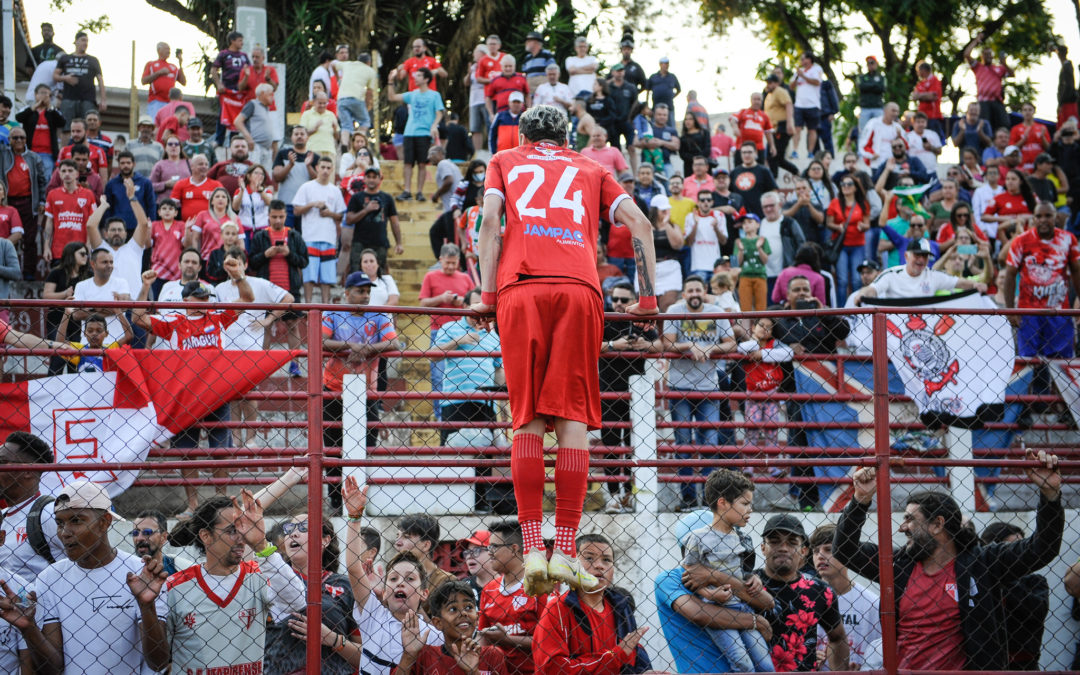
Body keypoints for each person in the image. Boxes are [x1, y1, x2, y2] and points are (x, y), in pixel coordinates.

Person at [472, 104, 657, 594]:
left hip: (520, 289)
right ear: (567, 137)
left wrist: (486, 295)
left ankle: (533, 547)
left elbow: (490, 223)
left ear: (523, 135)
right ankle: (567, 551)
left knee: (526, 418)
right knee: (573, 417)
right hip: (579, 290)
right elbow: (640, 224)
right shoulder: (592, 168)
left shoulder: (505, 160)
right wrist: (648, 299)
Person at [833, 451, 1063, 670]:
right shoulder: (897, 564)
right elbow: (844, 550)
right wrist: (860, 500)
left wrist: (1050, 496)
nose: (903, 527)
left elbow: (1042, 548)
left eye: (910, 519)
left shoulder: (983, 563)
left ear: (937, 524)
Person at [0, 480, 169, 674]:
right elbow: (52, 669)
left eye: (76, 520)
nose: (65, 533)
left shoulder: (140, 573)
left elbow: (158, 662)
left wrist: (146, 607)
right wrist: (29, 629)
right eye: (59, 523)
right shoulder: (50, 578)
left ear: (104, 522)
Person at [132, 258, 252, 514]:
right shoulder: (174, 321)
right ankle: (193, 505)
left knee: (220, 450)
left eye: (206, 298)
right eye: (199, 298)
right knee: (186, 451)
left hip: (216, 393)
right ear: (186, 300)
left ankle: (221, 503)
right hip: (186, 395)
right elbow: (138, 318)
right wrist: (145, 287)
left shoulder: (218, 318)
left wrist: (239, 276)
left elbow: (248, 300)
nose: (204, 302)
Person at [161, 492, 306, 673]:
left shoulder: (258, 575)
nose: (241, 538)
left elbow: (297, 601)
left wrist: (261, 545)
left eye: (242, 529)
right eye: (231, 531)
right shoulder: (175, 586)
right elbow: (158, 657)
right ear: (206, 536)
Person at [680, 470, 775, 672]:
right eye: (745, 503)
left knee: (766, 664)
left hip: (742, 606)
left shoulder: (743, 538)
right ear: (722, 502)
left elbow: (744, 572)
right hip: (715, 609)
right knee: (742, 663)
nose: (751, 509)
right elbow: (689, 574)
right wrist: (709, 593)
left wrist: (754, 578)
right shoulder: (697, 538)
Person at [664, 276, 737, 510]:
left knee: (710, 445)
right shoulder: (674, 310)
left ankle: (709, 500)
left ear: (703, 292)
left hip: (709, 387)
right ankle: (688, 499)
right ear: (684, 294)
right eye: (690, 290)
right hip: (679, 387)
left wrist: (710, 348)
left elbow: (731, 343)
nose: (694, 294)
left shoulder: (716, 311)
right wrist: (690, 346)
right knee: (683, 445)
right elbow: (668, 343)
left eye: (698, 290)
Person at [532, 533, 652, 675]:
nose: (599, 566)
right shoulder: (557, 608)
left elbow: (632, 656)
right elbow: (553, 669)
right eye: (589, 558)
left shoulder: (621, 607)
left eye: (606, 560)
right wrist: (614, 656)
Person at [265, 513, 361, 675]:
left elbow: (365, 656)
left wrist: (333, 639)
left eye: (304, 528)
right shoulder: (271, 578)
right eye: (289, 529)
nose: (293, 533)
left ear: (325, 540)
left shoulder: (344, 585)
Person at [1003, 201, 1080, 358]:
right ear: (1033, 219)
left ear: (1056, 217)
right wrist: (1010, 310)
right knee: (1027, 363)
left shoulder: (1068, 239)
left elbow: (1077, 271)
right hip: (1029, 312)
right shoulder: (1021, 241)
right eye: (1039, 216)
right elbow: (1009, 275)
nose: (1043, 219)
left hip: (1059, 312)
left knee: (1061, 366)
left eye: (1048, 216)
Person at [478, 520, 548, 675]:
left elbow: (548, 641)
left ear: (514, 549)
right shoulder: (489, 589)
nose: (489, 552)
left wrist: (507, 639)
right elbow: (483, 637)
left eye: (494, 546)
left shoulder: (541, 588)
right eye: (488, 547)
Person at [978, 522, 1050, 671]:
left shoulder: (1034, 581)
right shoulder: (977, 581)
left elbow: (1035, 610)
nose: (1017, 554)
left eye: (1020, 547)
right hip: (984, 663)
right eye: (1010, 548)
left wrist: (1006, 578)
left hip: (1023, 665)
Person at [808, 524, 881, 671]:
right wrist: (808, 657)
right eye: (815, 551)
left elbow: (879, 651)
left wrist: (865, 668)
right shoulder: (807, 600)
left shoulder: (872, 603)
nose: (820, 556)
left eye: (828, 549)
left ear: (844, 553)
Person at [399, 580, 507, 675]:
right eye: (453, 609)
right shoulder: (424, 655)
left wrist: (473, 672)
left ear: (478, 617)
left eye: (469, 607)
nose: (463, 613)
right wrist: (409, 655)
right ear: (438, 623)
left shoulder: (492, 655)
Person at [0, 432, 67, 580]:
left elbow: (85, 563)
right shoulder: (3, 515)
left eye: (2, 461)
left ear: (28, 471)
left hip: (46, 603)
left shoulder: (49, 514)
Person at [420, 243, 475, 406]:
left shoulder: (465, 278)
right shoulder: (430, 276)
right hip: (439, 331)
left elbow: (474, 300)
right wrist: (441, 299)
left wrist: (461, 301)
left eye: (454, 263)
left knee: (465, 372)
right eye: (447, 263)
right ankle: (440, 416)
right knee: (438, 376)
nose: (451, 266)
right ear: (440, 260)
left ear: (458, 261)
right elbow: (422, 303)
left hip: (463, 330)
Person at [851, 238, 986, 304]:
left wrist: (975, 285)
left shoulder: (932, 276)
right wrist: (861, 295)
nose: (921, 259)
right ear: (906, 256)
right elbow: (873, 289)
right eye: (917, 255)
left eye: (925, 256)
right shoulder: (891, 274)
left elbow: (957, 282)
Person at [293, 155, 345, 302]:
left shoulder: (335, 190)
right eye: (322, 167)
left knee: (327, 278)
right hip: (310, 237)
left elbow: (341, 216)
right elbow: (296, 210)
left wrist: (329, 213)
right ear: (317, 168)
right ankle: (309, 306)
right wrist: (312, 204)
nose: (325, 171)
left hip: (328, 238)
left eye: (328, 168)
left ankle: (325, 308)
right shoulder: (307, 187)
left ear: (332, 170)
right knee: (309, 275)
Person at [388, 67, 444, 202]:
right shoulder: (412, 94)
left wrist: (433, 126)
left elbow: (439, 113)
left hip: (424, 133)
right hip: (409, 132)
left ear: (426, 79)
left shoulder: (434, 95)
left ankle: (419, 191)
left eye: (418, 76)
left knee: (422, 164)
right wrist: (390, 81)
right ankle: (407, 190)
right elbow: (392, 97)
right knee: (407, 163)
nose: (415, 78)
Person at [344, 166, 403, 275]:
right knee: (356, 274)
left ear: (380, 179)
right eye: (368, 177)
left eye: (374, 177)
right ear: (364, 179)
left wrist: (399, 243)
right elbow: (349, 220)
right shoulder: (356, 197)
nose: (371, 180)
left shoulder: (387, 198)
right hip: (359, 243)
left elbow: (394, 222)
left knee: (379, 275)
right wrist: (366, 210)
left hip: (380, 242)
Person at [42, 242, 89, 371]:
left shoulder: (88, 274)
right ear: (71, 254)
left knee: (75, 362)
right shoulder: (57, 273)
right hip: (57, 321)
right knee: (58, 359)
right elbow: (46, 295)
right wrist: (64, 294)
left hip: (79, 323)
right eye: (82, 254)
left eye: (87, 254)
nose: (86, 257)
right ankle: (52, 391)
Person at [827, 173, 871, 302]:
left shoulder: (862, 203)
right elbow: (828, 223)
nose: (846, 186)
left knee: (857, 280)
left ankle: (855, 307)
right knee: (842, 280)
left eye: (849, 184)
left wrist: (863, 226)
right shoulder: (834, 203)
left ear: (855, 187)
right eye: (843, 184)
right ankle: (842, 311)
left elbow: (867, 224)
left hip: (858, 244)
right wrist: (837, 227)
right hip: (841, 245)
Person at [43, 159, 94, 264]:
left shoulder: (88, 194)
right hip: (59, 251)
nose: (67, 174)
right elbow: (49, 223)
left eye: (70, 171)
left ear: (77, 174)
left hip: (81, 249)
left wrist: (89, 244)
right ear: (59, 174)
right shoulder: (52, 194)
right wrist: (46, 247)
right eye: (64, 171)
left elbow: (92, 222)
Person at [53, 31, 106, 128]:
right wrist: (66, 78)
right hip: (68, 98)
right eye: (83, 40)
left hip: (88, 99)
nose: (85, 43)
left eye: (87, 41)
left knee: (87, 127)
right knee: (66, 127)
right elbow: (55, 76)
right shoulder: (65, 58)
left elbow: (100, 80)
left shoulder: (93, 60)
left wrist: (103, 100)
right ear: (76, 42)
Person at [964, 32, 1014, 133]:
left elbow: (1012, 74)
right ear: (981, 56)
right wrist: (976, 40)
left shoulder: (999, 69)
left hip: (997, 101)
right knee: (985, 126)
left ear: (992, 56)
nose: (987, 56)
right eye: (985, 54)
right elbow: (966, 54)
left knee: (1004, 124)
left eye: (989, 54)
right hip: (983, 102)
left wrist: (1004, 63)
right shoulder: (978, 67)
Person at [210, 31, 252, 147]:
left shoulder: (244, 56)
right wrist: (218, 84)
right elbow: (214, 69)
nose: (242, 43)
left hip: (240, 91)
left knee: (238, 115)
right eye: (239, 40)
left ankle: (234, 140)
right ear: (232, 41)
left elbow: (250, 70)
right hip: (227, 90)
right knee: (222, 114)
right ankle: (219, 140)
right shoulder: (224, 54)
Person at [16, 83, 63, 181]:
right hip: (29, 152)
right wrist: (34, 107)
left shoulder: (52, 111)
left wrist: (50, 107)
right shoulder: (28, 109)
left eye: (48, 94)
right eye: (42, 93)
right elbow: (19, 117)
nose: (45, 96)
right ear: (35, 94)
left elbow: (62, 122)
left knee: (45, 180)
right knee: (27, 179)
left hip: (48, 154)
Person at [684, 189, 729, 281]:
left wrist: (716, 227)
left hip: (715, 265)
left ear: (712, 202)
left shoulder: (719, 215)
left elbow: (723, 241)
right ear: (698, 202)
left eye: (708, 200)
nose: (706, 202)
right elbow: (688, 243)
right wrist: (696, 224)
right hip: (698, 266)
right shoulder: (690, 217)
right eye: (702, 200)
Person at [131, 510, 192, 576]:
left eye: (147, 532)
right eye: (135, 533)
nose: (139, 538)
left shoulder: (179, 568)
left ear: (163, 537)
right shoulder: (127, 569)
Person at [337, 51, 378, 147]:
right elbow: (369, 92)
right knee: (365, 121)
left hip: (341, 99)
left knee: (346, 125)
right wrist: (367, 106)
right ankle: (359, 141)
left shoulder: (348, 64)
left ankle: (344, 144)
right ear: (369, 62)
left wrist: (337, 78)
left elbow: (333, 65)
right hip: (356, 98)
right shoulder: (370, 71)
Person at [234, 83, 278, 167]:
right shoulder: (252, 104)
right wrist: (249, 138)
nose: (272, 97)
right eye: (270, 94)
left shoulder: (266, 109)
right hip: (255, 147)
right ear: (262, 94)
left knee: (263, 176)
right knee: (254, 173)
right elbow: (237, 121)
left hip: (266, 149)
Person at [734, 213, 770, 315]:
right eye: (744, 223)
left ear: (757, 225)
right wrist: (741, 250)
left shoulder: (762, 240)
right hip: (745, 275)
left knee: (761, 307)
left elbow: (765, 261)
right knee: (745, 308)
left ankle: (759, 329)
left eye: (750, 222)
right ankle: (747, 331)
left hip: (760, 275)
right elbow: (738, 262)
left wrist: (759, 248)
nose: (746, 225)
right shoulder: (739, 241)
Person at [730, 142, 778, 217]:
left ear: (755, 153)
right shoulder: (734, 172)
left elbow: (773, 192)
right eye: (744, 152)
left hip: (760, 215)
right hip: (740, 217)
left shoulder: (764, 171)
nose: (746, 155)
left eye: (749, 152)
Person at [141, 41, 187, 119]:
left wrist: (180, 64)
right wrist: (159, 73)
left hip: (170, 102)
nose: (169, 51)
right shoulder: (151, 64)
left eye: (169, 49)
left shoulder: (173, 67)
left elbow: (183, 82)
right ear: (159, 50)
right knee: (155, 125)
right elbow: (144, 80)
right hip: (155, 101)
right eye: (166, 48)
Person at [232, 163, 273, 237]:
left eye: (262, 174)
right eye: (256, 173)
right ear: (249, 176)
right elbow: (235, 208)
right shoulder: (239, 191)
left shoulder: (267, 191)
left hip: (262, 229)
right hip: (245, 228)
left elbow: (270, 204)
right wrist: (242, 191)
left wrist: (261, 191)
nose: (259, 176)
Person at [150, 134, 191, 201]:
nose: (173, 146)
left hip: (185, 203)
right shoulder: (159, 165)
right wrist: (165, 185)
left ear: (180, 148)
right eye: (170, 144)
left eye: (176, 144)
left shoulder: (189, 163)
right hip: (166, 205)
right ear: (165, 148)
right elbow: (150, 185)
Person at [857, 56, 885, 130]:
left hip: (878, 107)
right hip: (865, 108)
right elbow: (861, 87)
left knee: (880, 129)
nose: (870, 65)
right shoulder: (862, 77)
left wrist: (868, 85)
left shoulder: (881, 77)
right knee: (863, 130)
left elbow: (882, 88)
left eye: (872, 63)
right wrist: (874, 85)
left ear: (876, 64)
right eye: (868, 63)